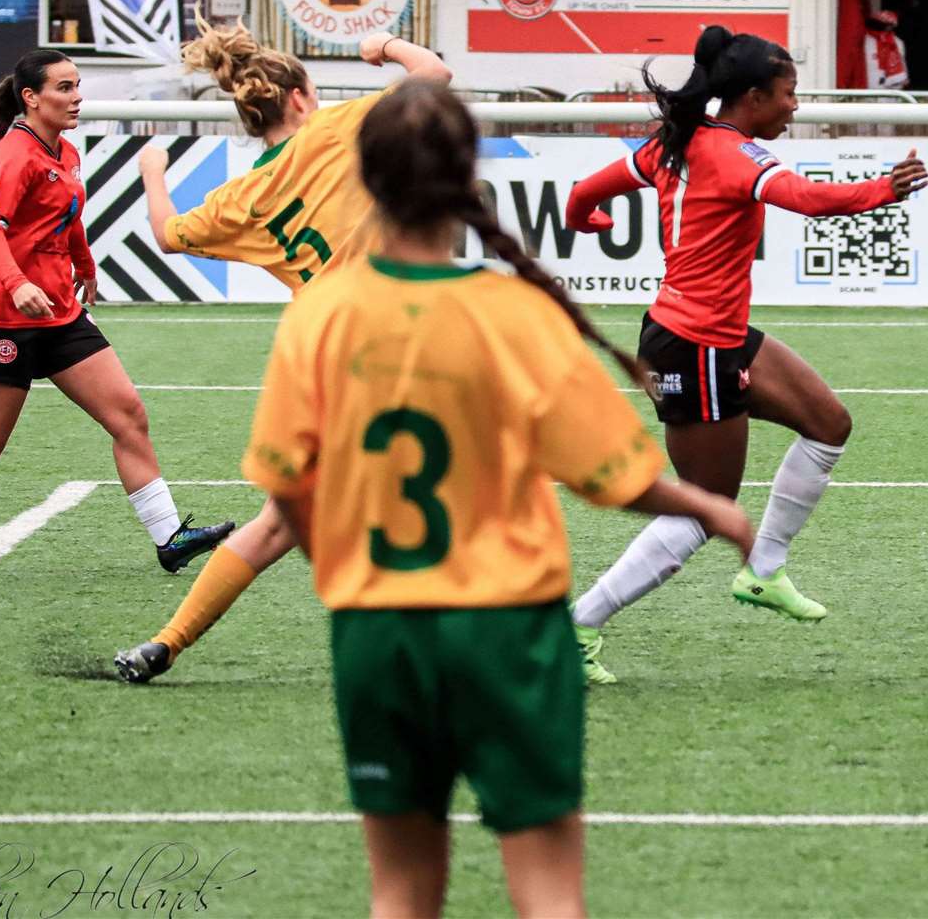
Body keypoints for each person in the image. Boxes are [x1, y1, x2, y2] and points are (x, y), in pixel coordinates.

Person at [242, 78, 752, 918]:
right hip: (508, 629)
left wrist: (341, 570)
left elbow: (287, 481)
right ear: (467, 179)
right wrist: (709, 507)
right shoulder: (514, 312)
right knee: (548, 893)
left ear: (363, 181)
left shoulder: (321, 313)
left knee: (400, 894)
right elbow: (610, 476)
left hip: (378, 627)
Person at [560, 25, 928, 684]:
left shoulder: (674, 146)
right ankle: (578, 625)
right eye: (789, 95)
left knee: (829, 423)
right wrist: (884, 189)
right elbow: (810, 201)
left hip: (716, 335)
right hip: (692, 347)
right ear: (753, 97)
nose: (796, 105)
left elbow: (583, 193)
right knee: (706, 507)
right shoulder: (734, 155)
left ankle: (763, 571)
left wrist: (590, 218)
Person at [113, 18, 451, 683]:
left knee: (281, 520)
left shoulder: (243, 197)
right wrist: (381, 46)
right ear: (298, 98)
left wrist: (154, 170)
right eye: (313, 87)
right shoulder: (341, 127)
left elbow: (167, 234)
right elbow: (434, 74)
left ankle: (167, 641)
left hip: (320, 353)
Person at [0, 49, 232, 570]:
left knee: (129, 416)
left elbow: (69, 220)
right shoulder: (13, 154)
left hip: (61, 315)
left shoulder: (66, 152)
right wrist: (18, 282)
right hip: (6, 318)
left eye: (77, 86)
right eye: (65, 88)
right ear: (32, 97)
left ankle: (169, 539)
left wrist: (86, 268)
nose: (77, 97)